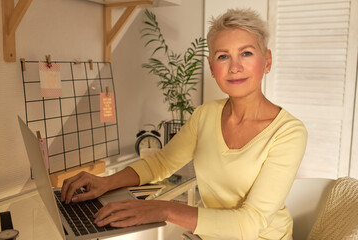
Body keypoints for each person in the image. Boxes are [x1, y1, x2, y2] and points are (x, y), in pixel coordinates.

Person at [60, 8, 307, 240]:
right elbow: (162, 162)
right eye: (223, 56)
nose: (234, 67)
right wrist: (106, 182)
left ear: (267, 61)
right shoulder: (205, 115)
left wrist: (163, 210)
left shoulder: (289, 132)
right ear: (212, 67)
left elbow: (251, 222)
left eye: (246, 53)